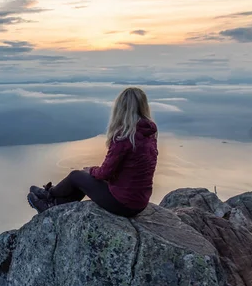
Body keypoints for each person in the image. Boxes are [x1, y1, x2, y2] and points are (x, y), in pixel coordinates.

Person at [27, 87, 158, 217]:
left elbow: (105, 173)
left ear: (120, 109)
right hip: (139, 202)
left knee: (76, 176)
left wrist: (90, 170)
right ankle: (56, 203)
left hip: (123, 203)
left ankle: (49, 195)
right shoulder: (149, 133)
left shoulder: (124, 137)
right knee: (85, 181)